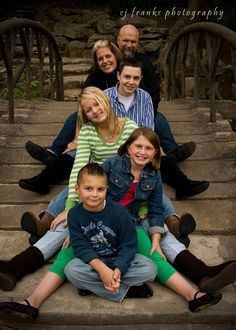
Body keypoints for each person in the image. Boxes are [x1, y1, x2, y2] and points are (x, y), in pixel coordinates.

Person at [0, 140, 224, 320]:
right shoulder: (77, 215)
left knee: (152, 265)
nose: (94, 194)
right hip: (94, 261)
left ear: (107, 190)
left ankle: (192, 295)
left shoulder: (120, 213)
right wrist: (102, 269)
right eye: (88, 189)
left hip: (120, 261)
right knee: (69, 269)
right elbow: (80, 248)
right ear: (77, 191)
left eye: (100, 189)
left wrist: (116, 268)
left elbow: (130, 245)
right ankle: (32, 302)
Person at [21, 26, 196, 192]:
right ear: (118, 42)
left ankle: (175, 163)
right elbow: (85, 106)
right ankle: (49, 163)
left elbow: (152, 97)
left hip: (136, 130)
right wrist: (78, 139)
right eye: (125, 40)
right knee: (75, 142)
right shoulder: (101, 83)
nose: (130, 81)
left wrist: (155, 145)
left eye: (133, 41)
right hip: (106, 133)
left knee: (157, 134)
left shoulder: (140, 71)